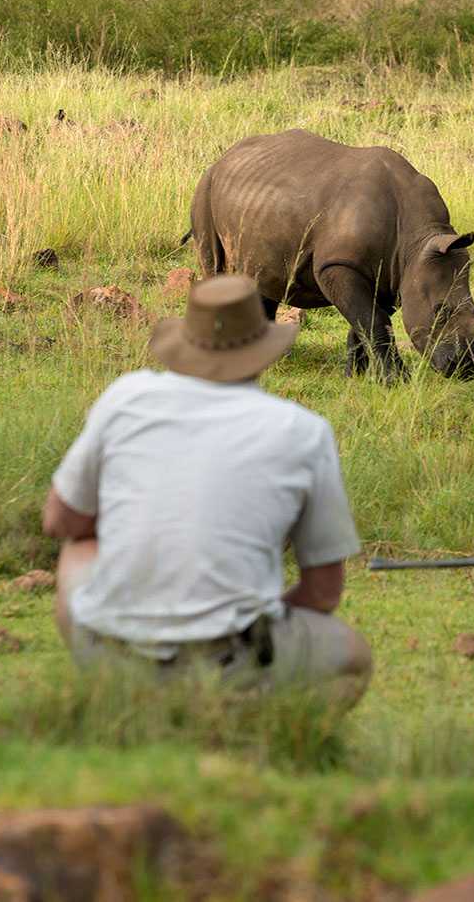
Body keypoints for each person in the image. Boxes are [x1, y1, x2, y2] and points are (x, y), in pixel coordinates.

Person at [42, 274, 372, 706]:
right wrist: (256, 614)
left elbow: (60, 520)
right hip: (229, 659)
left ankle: (119, 700)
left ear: (187, 341)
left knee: (79, 546)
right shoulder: (303, 430)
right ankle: (261, 727)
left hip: (108, 649)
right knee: (353, 657)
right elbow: (324, 592)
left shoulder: (125, 397)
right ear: (262, 352)